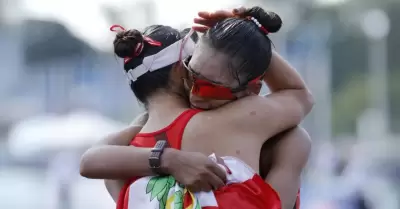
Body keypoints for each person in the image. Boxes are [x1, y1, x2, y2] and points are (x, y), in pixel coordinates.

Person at [80, 6, 313, 209]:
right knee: (297, 141)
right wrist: (246, 40)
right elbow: (299, 95)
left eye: (209, 86)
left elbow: (89, 161)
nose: (195, 93)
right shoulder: (241, 119)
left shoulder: (120, 165)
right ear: (180, 69)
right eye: (193, 74)